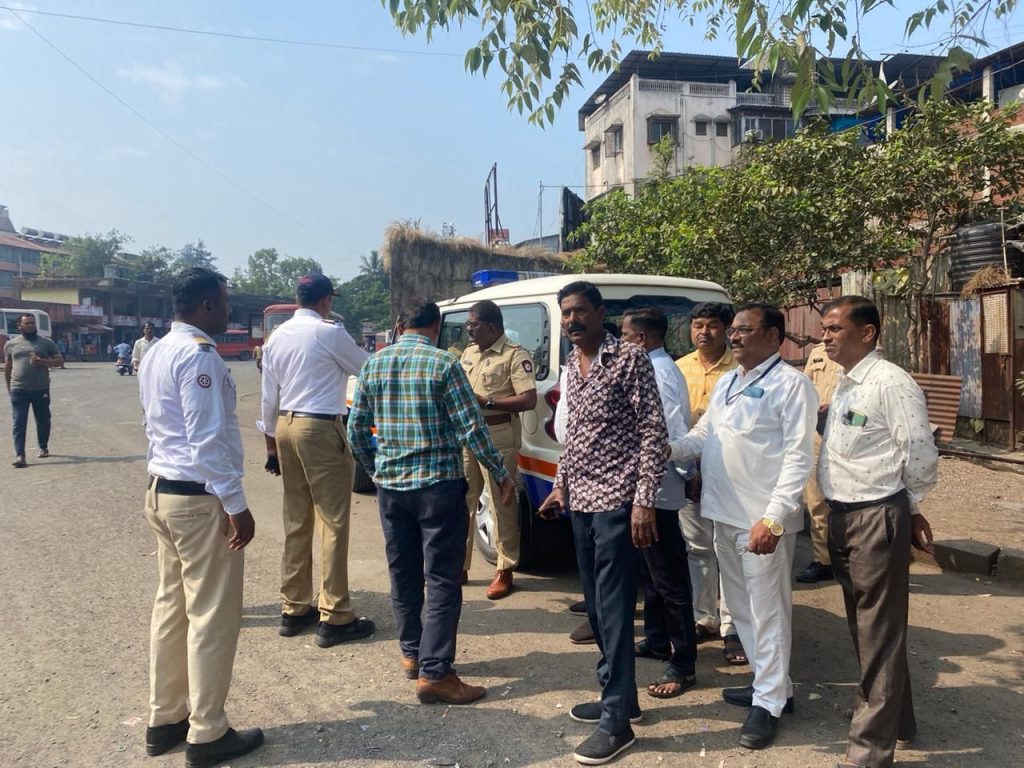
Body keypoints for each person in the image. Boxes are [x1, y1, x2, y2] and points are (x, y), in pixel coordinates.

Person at [348, 299, 515, 706]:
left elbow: (356, 430)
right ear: (436, 327)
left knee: (403, 573)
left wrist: (377, 470)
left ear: (399, 325)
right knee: (441, 578)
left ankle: (412, 654)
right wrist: (499, 471)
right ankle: (435, 672)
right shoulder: (445, 364)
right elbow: (472, 427)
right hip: (438, 487)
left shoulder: (374, 364)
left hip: (392, 490)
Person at [669, 303, 816, 750]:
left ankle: (768, 704)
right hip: (722, 514)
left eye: (743, 330)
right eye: (732, 330)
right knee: (741, 608)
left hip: (761, 522)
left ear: (773, 337)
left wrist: (774, 519)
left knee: (768, 613)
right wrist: (667, 448)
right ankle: (773, 687)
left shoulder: (792, 385)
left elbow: (799, 458)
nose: (733, 337)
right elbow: (704, 435)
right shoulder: (730, 382)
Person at [138, 268, 263, 767]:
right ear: (207, 305)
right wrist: (236, 504)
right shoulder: (198, 355)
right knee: (211, 615)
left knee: (171, 609)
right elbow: (207, 439)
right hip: (196, 499)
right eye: (225, 303)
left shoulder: (156, 350)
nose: (229, 312)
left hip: (163, 493)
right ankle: (208, 731)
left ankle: (165, 718)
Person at [540, 281, 668, 766]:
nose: (571, 321)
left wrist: (643, 502)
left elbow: (653, 431)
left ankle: (617, 722)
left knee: (614, 609)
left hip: (618, 501)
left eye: (578, 311)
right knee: (594, 605)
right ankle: (621, 695)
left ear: (599, 311)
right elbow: (574, 437)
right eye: (564, 314)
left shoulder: (629, 359)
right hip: (580, 501)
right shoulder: (573, 363)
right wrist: (559, 485)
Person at [817, 296, 938, 768]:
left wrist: (908, 506)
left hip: (875, 516)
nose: (825, 336)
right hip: (843, 516)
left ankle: (868, 752)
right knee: (867, 628)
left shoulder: (890, 382)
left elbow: (920, 454)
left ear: (867, 333)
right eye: (824, 328)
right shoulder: (848, 382)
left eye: (834, 328)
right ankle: (898, 722)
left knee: (878, 632)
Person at [259, 273, 375, 646]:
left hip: (285, 426)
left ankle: (294, 607)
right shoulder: (330, 333)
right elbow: (369, 368)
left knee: (296, 519)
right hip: (320, 427)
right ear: (326, 300)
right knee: (333, 521)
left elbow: (268, 396)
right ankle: (335, 614)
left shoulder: (277, 336)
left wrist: (271, 446)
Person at [618, 308, 698, 701]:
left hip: (658, 489)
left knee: (668, 577)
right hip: (650, 486)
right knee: (651, 572)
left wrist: (684, 473)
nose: (620, 342)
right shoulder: (653, 366)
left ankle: (683, 662)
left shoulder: (658, 372)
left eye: (624, 335)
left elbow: (669, 430)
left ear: (642, 339)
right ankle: (656, 639)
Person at [674, 302, 745, 665]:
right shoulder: (678, 368)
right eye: (698, 325)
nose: (704, 332)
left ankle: (733, 627)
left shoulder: (740, 370)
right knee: (697, 547)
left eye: (712, 325)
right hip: (686, 468)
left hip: (729, 472)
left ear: (727, 329)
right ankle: (704, 617)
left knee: (729, 550)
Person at [459, 299, 537, 598]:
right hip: (468, 434)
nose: (469, 330)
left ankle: (505, 568)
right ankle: (459, 565)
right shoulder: (469, 353)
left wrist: (488, 402)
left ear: (492, 327)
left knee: (500, 503)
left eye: (474, 325)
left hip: (498, 433)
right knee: (463, 501)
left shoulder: (514, 355)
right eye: (468, 324)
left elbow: (528, 399)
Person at [796, 341, 842, 583]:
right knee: (815, 500)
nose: (828, 334)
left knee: (847, 500)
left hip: (847, 436)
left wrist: (836, 407)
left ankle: (850, 559)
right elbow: (805, 388)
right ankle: (823, 560)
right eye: (825, 328)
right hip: (817, 435)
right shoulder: (817, 352)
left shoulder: (869, 352)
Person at [4, 314, 62, 468]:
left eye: (32, 323)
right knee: (19, 422)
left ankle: (43, 446)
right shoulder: (11, 344)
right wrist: (9, 387)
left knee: (43, 420)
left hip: (40, 388)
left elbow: (59, 361)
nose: (31, 326)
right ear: (19, 326)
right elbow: (8, 367)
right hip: (19, 389)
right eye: (27, 323)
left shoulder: (46, 342)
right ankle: (20, 455)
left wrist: (42, 361)